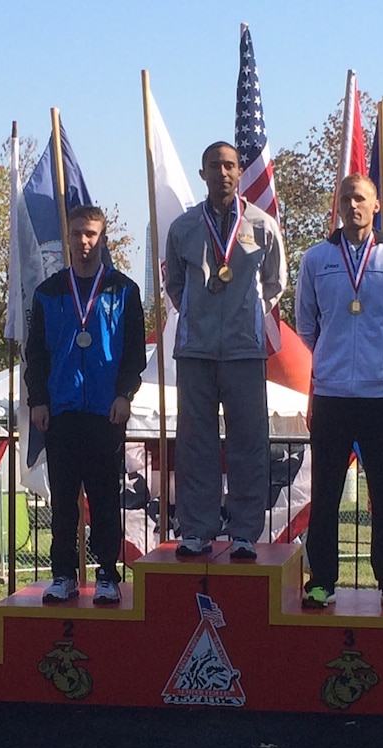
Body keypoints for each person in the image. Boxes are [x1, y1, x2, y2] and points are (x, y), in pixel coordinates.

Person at [295, 174, 383, 610]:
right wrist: (332, 360)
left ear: (375, 207)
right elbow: (306, 325)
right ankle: (322, 580)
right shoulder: (316, 259)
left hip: (380, 394)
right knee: (326, 491)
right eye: (347, 198)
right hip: (332, 394)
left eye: (362, 199)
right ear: (339, 205)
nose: (353, 205)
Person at [164, 142, 286, 560]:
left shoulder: (264, 226)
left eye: (230, 165)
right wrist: (201, 313)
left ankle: (244, 533)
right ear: (203, 174)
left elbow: (275, 284)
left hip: (245, 353)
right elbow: (175, 286)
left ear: (239, 171)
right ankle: (196, 529)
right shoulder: (182, 228)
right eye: (214, 166)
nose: (223, 172)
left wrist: (242, 317)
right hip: (195, 352)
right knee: (195, 443)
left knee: (248, 443)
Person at [25, 205, 146, 605]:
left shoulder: (124, 290)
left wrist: (124, 394)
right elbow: (37, 355)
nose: (84, 241)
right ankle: (63, 574)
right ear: (67, 239)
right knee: (62, 500)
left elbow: (133, 353)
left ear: (103, 238)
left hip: (104, 410)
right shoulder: (49, 293)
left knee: (105, 498)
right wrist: (39, 400)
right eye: (77, 233)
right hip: (60, 411)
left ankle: (108, 574)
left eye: (91, 233)